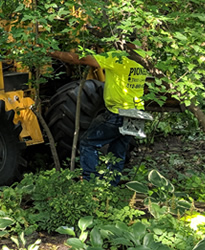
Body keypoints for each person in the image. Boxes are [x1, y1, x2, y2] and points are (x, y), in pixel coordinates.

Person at [50, 47, 148, 184]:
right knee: (118, 150)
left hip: (118, 112)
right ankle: (112, 185)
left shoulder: (117, 57)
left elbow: (81, 59)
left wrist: (52, 53)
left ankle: (90, 183)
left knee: (88, 143)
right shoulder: (143, 61)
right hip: (137, 113)